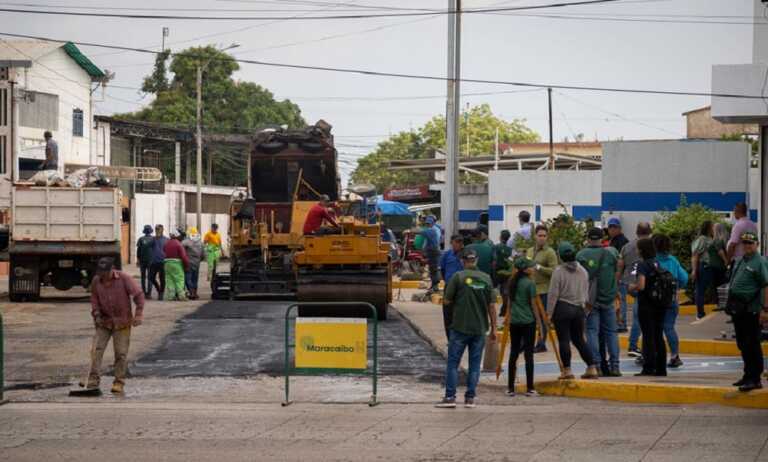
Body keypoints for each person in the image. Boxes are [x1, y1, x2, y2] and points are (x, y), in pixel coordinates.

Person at [436, 249, 497, 408]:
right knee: (475, 364)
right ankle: (470, 398)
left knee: (453, 363)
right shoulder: (486, 279)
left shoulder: (458, 277)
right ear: (476, 260)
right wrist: (494, 329)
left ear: (463, 261)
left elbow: (447, 301)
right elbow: (492, 306)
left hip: (460, 327)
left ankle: (450, 397)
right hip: (479, 329)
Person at [87, 257, 145, 394]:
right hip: (103, 321)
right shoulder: (96, 281)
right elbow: (94, 299)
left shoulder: (124, 278)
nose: (102, 275)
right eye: (100, 272)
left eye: (105, 272)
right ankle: (93, 379)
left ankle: (119, 382)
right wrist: (96, 314)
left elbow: (139, 295)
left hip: (122, 322)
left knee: (121, 353)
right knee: (96, 350)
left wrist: (138, 314)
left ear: (111, 269)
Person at [546, 241, 600, 380]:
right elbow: (586, 292)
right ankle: (591, 367)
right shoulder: (583, 270)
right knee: (579, 340)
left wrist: (549, 314)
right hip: (578, 309)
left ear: (560, 256)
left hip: (563, 308)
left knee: (564, 340)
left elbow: (553, 294)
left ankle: (567, 370)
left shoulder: (558, 272)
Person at [577, 227, 622, 377]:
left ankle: (596, 365)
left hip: (591, 300)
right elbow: (616, 273)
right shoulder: (610, 254)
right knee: (611, 333)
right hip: (608, 298)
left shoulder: (581, 255)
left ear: (588, 239)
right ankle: (615, 366)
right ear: (602, 239)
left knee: (592, 332)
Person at [726, 232, 767, 392]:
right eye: (745, 243)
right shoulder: (741, 260)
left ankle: (755, 378)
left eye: (750, 243)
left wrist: (765, 309)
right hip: (739, 308)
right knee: (743, 343)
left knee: (752, 344)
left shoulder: (760, 262)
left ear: (756, 244)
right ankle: (747, 375)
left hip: (752, 309)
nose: (747, 246)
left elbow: (765, 285)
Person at [630, 238, 668, 376]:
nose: (636, 250)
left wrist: (631, 286)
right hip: (659, 304)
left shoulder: (642, 264)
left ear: (642, 250)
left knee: (648, 336)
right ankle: (661, 368)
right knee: (658, 335)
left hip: (647, 304)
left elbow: (641, 285)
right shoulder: (657, 263)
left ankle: (648, 367)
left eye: (638, 248)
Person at [505, 257, 541, 396]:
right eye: (530, 267)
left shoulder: (512, 282)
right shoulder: (529, 284)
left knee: (513, 353)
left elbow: (509, 304)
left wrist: (508, 318)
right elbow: (533, 304)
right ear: (525, 269)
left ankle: (510, 388)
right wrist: (538, 321)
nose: (532, 269)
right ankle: (530, 388)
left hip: (515, 321)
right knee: (528, 355)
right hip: (528, 322)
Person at [653, 233, 689, 369]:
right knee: (669, 327)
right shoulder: (673, 260)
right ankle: (675, 355)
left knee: (653, 330)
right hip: (671, 300)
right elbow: (684, 278)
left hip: (655, 302)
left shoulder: (652, 261)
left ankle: (654, 355)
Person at [618, 222, 652, 354]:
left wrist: (617, 281)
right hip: (645, 284)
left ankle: (634, 345)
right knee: (642, 316)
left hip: (628, 282)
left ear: (637, 232)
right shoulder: (652, 246)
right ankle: (636, 345)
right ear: (650, 232)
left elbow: (620, 265)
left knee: (636, 313)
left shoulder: (626, 247)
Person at [525, 225, 558, 353]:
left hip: (544, 290)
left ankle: (541, 343)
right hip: (529, 290)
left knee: (542, 319)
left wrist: (539, 267)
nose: (542, 238)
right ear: (535, 236)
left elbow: (554, 271)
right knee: (530, 318)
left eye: (544, 236)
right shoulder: (529, 251)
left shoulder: (550, 252)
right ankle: (527, 343)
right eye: (540, 235)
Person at [691, 221, 728, 320]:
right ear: (708, 228)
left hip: (709, 267)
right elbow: (695, 255)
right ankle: (700, 313)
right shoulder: (702, 239)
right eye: (712, 227)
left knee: (708, 289)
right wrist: (694, 270)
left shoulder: (709, 239)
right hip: (703, 267)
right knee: (700, 290)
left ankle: (708, 310)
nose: (713, 229)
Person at [439, 234, 464, 340]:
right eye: (456, 242)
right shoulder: (446, 255)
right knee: (448, 312)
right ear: (451, 243)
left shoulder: (465, 255)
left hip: (462, 288)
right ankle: (450, 338)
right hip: (449, 286)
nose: (458, 244)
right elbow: (442, 270)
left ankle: (460, 336)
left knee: (461, 312)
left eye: (460, 242)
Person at [164, 230, 190, 301]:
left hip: (167, 264)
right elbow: (183, 256)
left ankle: (171, 296)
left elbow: (164, 251)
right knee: (179, 280)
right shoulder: (178, 244)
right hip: (176, 264)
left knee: (169, 280)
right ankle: (181, 296)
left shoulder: (166, 243)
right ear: (177, 236)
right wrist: (187, 265)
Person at [418, 216, 442, 294]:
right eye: (427, 224)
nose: (428, 225)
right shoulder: (431, 229)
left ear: (432, 223)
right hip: (431, 252)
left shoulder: (434, 230)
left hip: (434, 252)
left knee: (434, 270)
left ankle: (435, 287)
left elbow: (422, 232)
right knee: (432, 270)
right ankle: (433, 286)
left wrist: (409, 231)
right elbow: (426, 241)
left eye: (429, 223)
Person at [495, 230, 513, 316]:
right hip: (508, 272)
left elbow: (494, 260)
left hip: (498, 272)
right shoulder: (511, 249)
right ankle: (504, 309)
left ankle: (504, 309)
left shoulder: (496, 247)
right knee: (505, 291)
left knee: (502, 292)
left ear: (501, 237)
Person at [182, 227, 204, 300]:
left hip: (188, 263)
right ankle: (195, 293)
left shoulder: (186, 241)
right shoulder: (200, 242)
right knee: (195, 279)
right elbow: (203, 255)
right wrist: (199, 260)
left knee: (187, 278)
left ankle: (191, 292)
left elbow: (181, 247)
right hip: (197, 263)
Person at [136, 225, 156, 298]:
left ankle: (143, 293)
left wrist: (138, 260)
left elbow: (138, 251)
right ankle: (149, 294)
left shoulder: (141, 239)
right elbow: (155, 250)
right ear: (151, 231)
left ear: (144, 231)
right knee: (150, 277)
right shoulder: (153, 239)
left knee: (143, 277)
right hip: (151, 261)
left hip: (142, 260)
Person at [148, 224, 168, 301]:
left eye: (159, 229)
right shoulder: (153, 239)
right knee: (151, 277)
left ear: (162, 230)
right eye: (156, 229)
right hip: (154, 261)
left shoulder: (166, 239)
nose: (157, 231)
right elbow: (147, 246)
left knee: (162, 278)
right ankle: (159, 289)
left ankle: (161, 293)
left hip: (163, 261)